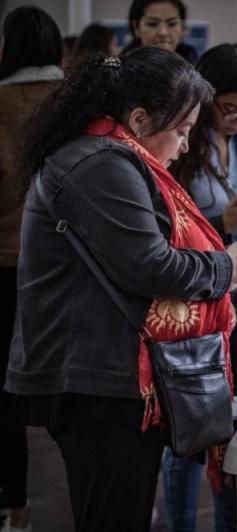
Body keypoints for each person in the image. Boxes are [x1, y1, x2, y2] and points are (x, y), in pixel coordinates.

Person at [5, 48, 237, 532]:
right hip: (96, 377)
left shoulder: (109, 155)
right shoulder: (102, 162)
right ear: (141, 117)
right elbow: (150, 266)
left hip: (105, 369)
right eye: (183, 130)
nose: (186, 145)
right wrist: (227, 268)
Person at [169, 42, 237, 531]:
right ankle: (179, 524)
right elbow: (168, 229)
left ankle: (232, 525)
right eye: (229, 109)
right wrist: (223, 219)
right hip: (194, 296)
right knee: (192, 430)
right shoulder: (179, 141)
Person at [0, 8, 63, 531]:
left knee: (3, 399)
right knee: (73, 390)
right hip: (69, 266)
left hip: (4, 262)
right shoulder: (76, 104)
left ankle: (16, 508)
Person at [122, 0, 197, 63]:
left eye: (172, 24)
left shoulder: (196, 67)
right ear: (136, 28)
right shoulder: (119, 72)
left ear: (182, 28)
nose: (163, 32)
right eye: (152, 24)